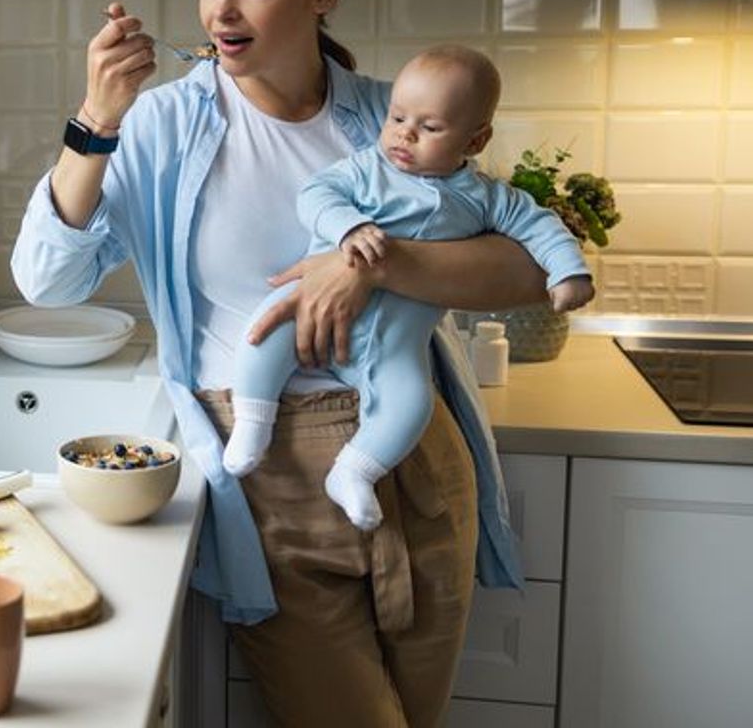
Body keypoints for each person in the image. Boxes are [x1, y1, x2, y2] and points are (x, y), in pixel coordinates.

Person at [11, 0, 551, 727]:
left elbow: (525, 270)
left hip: (415, 453)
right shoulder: (161, 125)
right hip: (269, 473)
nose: (223, 10)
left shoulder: (392, 117)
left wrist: (374, 264)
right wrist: (95, 119)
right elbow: (49, 280)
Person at [224, 46, 596, 537]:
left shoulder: (485, 197)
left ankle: (354, 472)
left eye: (430, 127)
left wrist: (569, 273)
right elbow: (316, 195)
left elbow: (541, 228)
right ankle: (253, 425)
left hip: (392, 346)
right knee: (263, 333)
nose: (404, 133)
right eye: (397, 117)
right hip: (308, 309)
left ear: (475, 138)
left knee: (411, 402)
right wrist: (349, 229)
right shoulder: (365, 169)